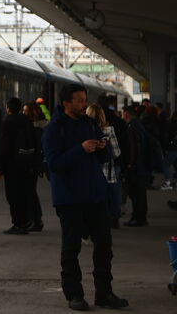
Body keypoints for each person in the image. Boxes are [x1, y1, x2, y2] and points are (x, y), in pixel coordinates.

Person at [43, 83, 128, 311]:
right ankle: (74, 295)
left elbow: (104, 158)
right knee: (71, 248)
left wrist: (101, 148)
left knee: (104, 245)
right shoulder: (55, 129)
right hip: (70, 198)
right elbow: (54, 163)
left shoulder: (90, 123)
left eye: (85, 99)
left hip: (95, 196)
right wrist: (80, 149)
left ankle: (104, 293)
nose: (84, 105)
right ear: (67, 103)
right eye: (79, 100)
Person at [0, 97, 38, 235]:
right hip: (26, 163)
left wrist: (0, 168)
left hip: (12, 165)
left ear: (8, 108)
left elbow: (4, 147)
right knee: (24, 193)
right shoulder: (26, 120)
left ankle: (18, 224)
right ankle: (25, 221)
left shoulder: (8, 122)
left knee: (13, 195)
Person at [87, 104, 122, 230]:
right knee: (113, 195)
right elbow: (117, 152)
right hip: (109, 172)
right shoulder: (108, 130)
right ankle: (114, 218)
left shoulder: (84, 130)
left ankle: (97, 220)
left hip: (91, 172)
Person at [122, 106, 149, 227]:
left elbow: (134, 147)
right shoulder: (138, 124)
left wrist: (131, 163)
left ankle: (138, 218)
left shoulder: (132, 127)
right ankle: (140, 217)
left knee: (136, 194)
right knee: (140, 194)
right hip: (141, 165)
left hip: (136, 167)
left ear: (127, 114)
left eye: (123, 113)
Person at [23, 101, 46, 231]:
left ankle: (35, 220)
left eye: (26, 110)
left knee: (30, 192)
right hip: (34, 164)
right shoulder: (38, 127)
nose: (23, 113)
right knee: (31, 192)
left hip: (32, 164)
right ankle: (36, 219)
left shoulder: (35, 129)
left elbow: (35, 148)